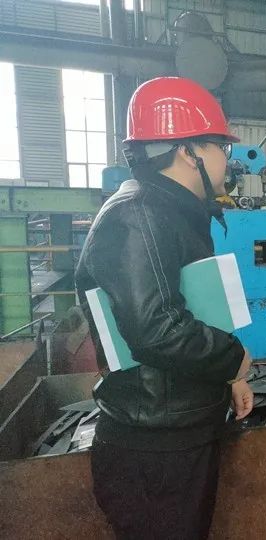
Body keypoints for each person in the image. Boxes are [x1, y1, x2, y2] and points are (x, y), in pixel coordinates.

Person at [75, 76, 254, 540]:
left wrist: (226, 379)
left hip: (177, 434)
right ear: (188, 151)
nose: (228, 160)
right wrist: (232, 358)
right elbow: (156, 330)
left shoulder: (172, 210)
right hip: (155, 452)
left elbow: (191, 306)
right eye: (222, 147)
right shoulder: (138, 215)